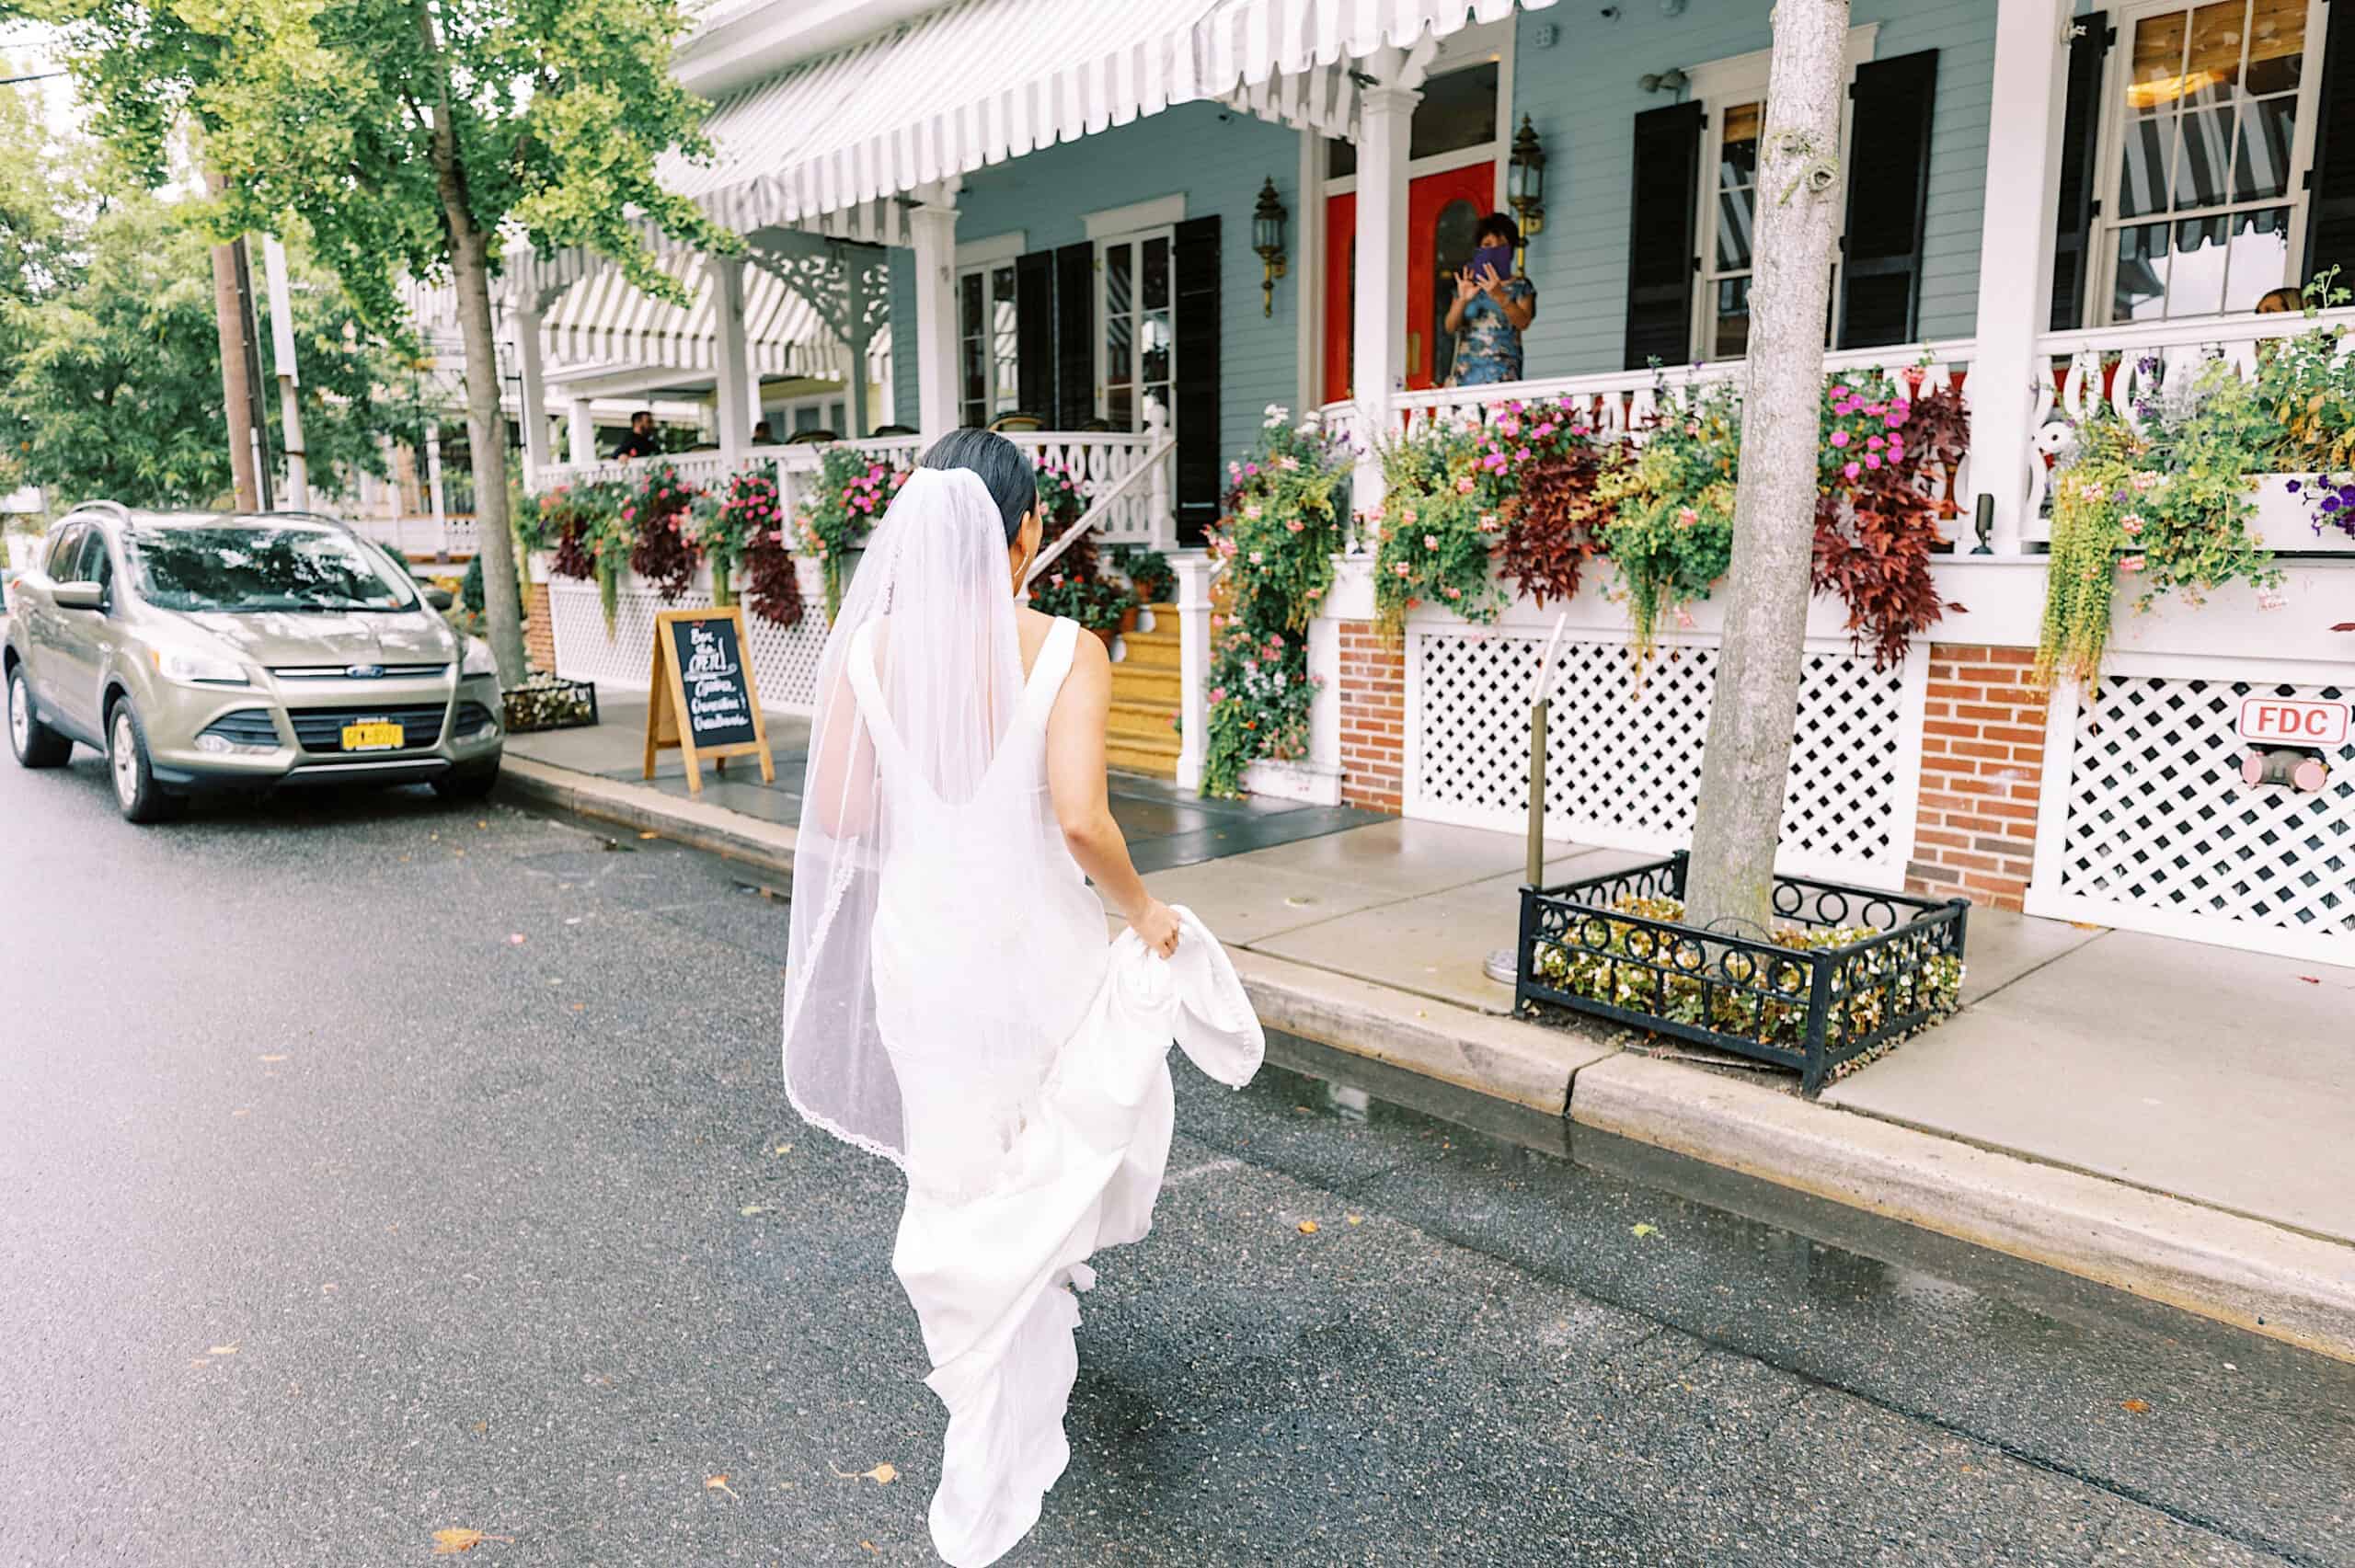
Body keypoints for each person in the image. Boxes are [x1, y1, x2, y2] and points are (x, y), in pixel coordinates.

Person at [781, 429, 1263, 1568]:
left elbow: (845, 817)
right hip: (1033, 947)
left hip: (923, 952)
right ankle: (1019, 1326)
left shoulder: (870, 655)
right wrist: (1145, 912)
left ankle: (985, 1366)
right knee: (1042, 1141)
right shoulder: (1067, 650)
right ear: (1027, 534)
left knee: (957, 1159)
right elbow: (1083, 821)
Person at [1444, 212, 1538, 386]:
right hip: (1467, 375)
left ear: (1510, 250)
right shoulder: (1468, 284)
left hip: (1504, 375)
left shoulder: (1521, 286)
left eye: (1501, 245)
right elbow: (1450, 326)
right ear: (1479, 249)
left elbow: (1523, 322)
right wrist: (1463, 299)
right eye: (1487, 245)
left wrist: (1500, 295)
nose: (1494, 250)